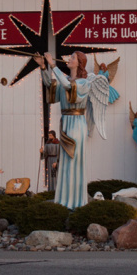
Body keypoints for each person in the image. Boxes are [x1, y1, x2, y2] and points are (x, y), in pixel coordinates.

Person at [36, 51, 112, 209]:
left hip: (77, 124)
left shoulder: (84, 83)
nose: (69, 59)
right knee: (65, 162)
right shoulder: (66, 79)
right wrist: (43, 67)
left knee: (73, 161)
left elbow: (68, 86)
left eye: (72, 57)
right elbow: (50, 86)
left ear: (79, 63)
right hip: (65, 122)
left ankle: (76, 201)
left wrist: (52, 65)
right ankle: (64, 199)